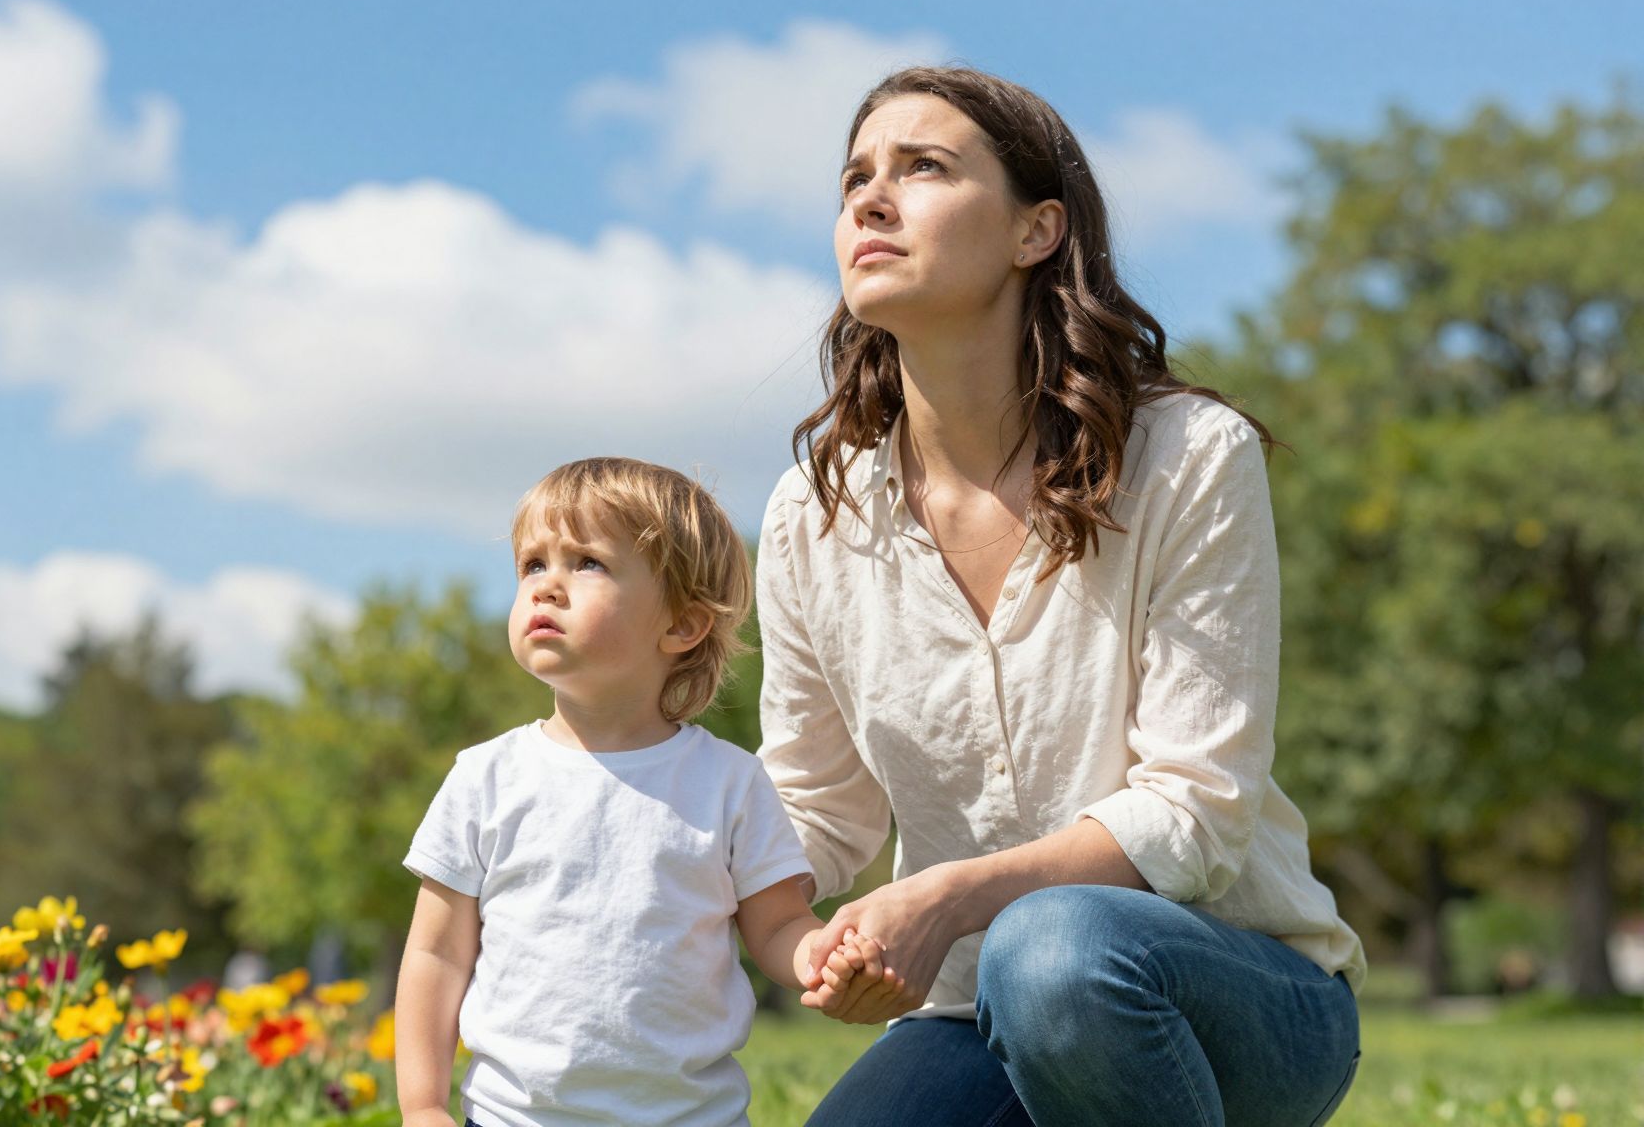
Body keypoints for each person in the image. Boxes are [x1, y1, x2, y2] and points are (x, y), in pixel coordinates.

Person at [757, 66, 1368, 1126]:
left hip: (1235, 993)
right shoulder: (811, 517)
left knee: (1052, 955)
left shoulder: (1185, 457)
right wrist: (777, 921)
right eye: (855, 176)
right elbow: (813, 804)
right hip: (964, 1015)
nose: (870, 197)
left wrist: (946, 896)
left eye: (924, 168)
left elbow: (1197, 806)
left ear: (1035, 230)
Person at [395, 457, 893, 1127]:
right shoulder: (484, 778)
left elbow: (776, 925)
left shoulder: (729, 783)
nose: (545, 588)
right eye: (532, 565)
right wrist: (423, 1105)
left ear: (682, 626)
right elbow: (436, 952)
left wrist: (821, 958)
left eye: (587, 563)